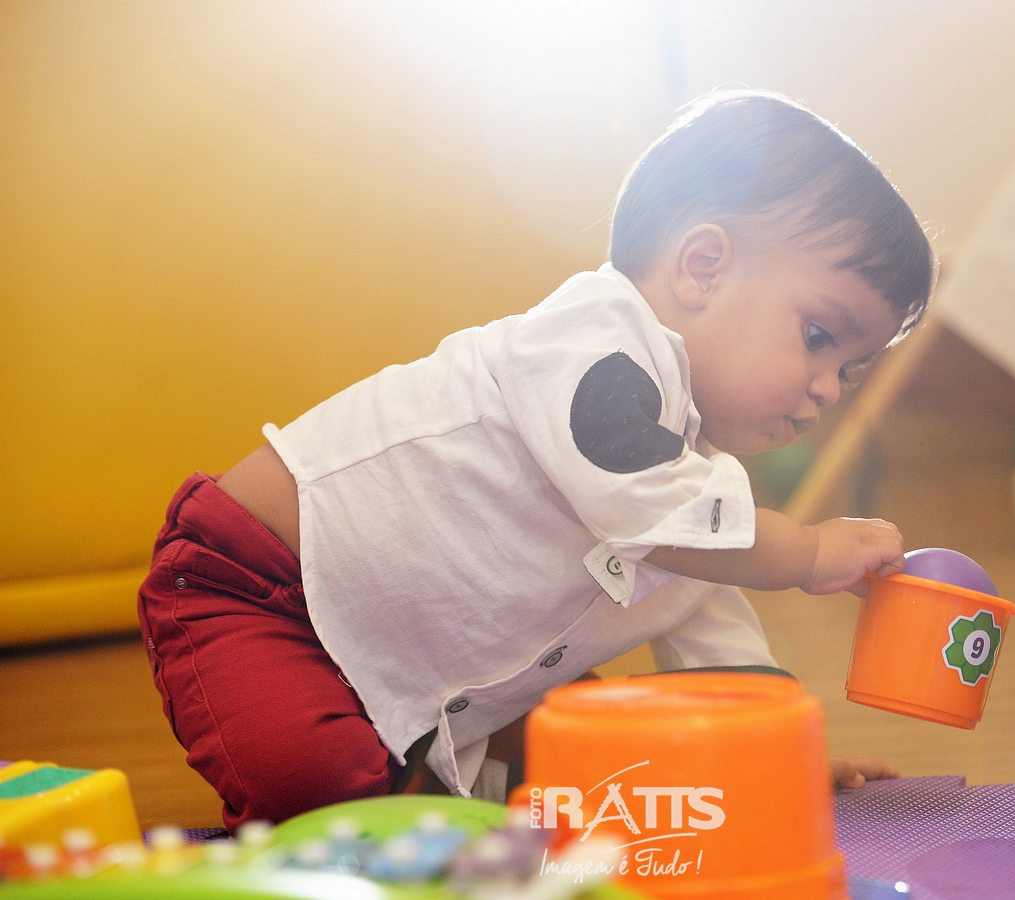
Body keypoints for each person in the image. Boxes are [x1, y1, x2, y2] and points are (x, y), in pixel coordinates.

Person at [137, 88, 937, 830]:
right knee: (318, 786)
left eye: (850, 370)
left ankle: (440, 778)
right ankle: (406, 788)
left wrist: (780, 763)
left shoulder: (690, 495)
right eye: (819, 337)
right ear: (704, 267)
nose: (829, 389)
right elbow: (665, 517)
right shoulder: (591, 341)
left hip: (428, 666)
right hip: (258, 592)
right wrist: (808, 551)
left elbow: (722, 657)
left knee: (607, 755)